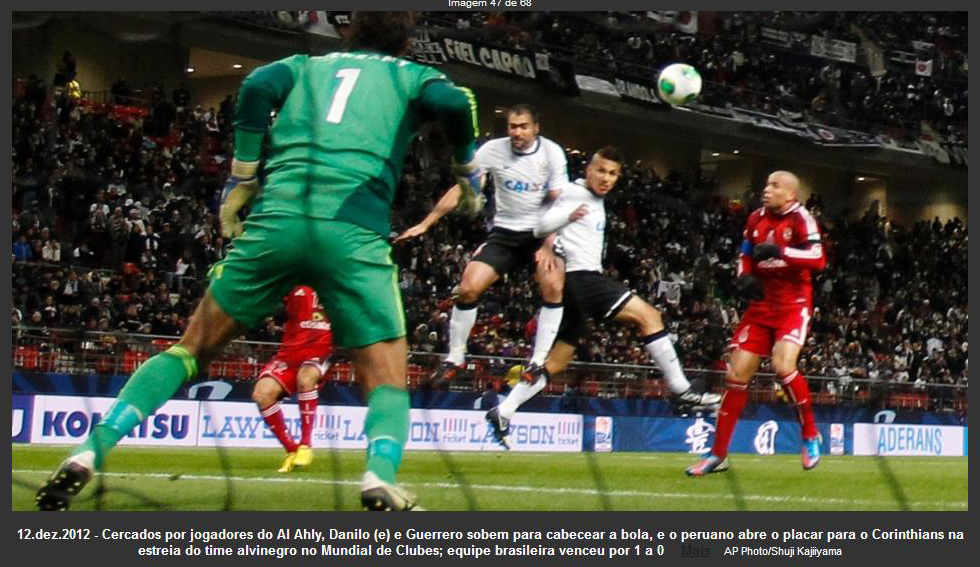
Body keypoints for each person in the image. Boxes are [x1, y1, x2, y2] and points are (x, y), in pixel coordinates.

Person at [36, 12, 481, 512]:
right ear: (405, 40)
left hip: (276, 223)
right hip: (352, 231)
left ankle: (88, 453)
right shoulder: (412, 76)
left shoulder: (303, 66)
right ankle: (378, 474)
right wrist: (466, 170)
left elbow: (255, 85)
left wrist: (243, 174)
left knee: (189, 350)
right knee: (386, 379)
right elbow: (454, 101)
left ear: (349, 28)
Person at [485, 147, 720, 448]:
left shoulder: (594, 200)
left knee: (557, 362)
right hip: (581, 279)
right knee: (649, 316)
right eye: (601, 171)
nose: (606, 178)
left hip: (577, 287)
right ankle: (682, 390)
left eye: (612, 174)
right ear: (588, 170)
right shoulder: (574, 193)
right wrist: (549, 241)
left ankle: (504, 410)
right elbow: (542, 223)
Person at [395, 104, 569, 384]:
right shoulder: (492, 150)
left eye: (524, 126)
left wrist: (548, 244)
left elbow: (557, 201)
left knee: (553, 287)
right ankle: (455, 359)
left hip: (541, 231)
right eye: (513, 126)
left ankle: (538, 362)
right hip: (505, 232)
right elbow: (464, 187)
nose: (517, 132)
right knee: (467, 289)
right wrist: (426, 223)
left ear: (536, 128)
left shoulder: (552, 153)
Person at [686, 170, 827, 476]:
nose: (767, 189)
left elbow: (818, 258)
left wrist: (782, 252)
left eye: (775, 186)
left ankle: (810, 434)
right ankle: (718, 454)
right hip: (761, 306)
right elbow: (745, 253)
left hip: (793, 303)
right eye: (766, 184)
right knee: (736, 374)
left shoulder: (801, 218)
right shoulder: (755, 218)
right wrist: (744, 277)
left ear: (790, 194)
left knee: (783, 366)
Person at [251, 285, 333, 473]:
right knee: (262, 394)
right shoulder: (294, 280)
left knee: (306, 379)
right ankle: (291, 449)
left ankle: (305, 444)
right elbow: (273, 302)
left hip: (321, 347)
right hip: (290, 351)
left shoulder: (338, 279)